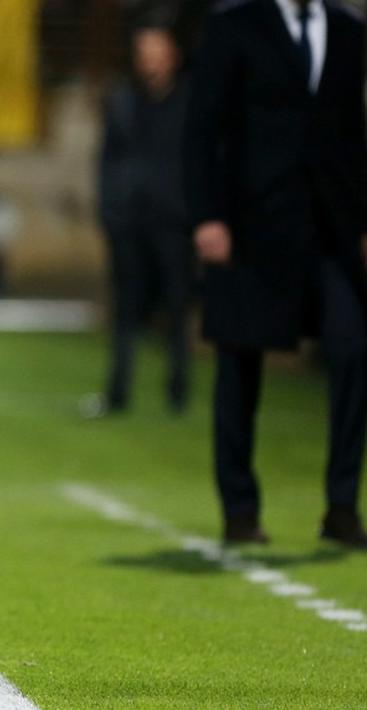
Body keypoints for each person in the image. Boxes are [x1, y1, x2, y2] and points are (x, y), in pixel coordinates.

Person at [186, 0, 367, 546]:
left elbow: (353, 135)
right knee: (240, 364)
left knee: (353, 349)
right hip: (249, 228)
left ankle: (341, 506)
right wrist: (208, 216)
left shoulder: (347, 32)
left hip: (330, 231)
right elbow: (203, 129)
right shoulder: (231, 26)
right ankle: (239, 511)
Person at [94, 22, 192, 416]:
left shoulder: (190, 100)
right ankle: (118, 390)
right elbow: (106, 160)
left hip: (173, 221)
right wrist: (109, 209)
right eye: (145, 51)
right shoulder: (122, 100)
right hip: (129, 220)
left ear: (173, 55)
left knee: (177, 305)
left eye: (159, 50)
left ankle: (178, 391)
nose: (152, 60)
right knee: (125, 307)